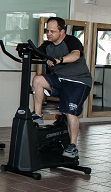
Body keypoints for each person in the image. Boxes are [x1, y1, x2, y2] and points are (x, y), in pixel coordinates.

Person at [32, 17, 92, 158]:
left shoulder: (71, 41)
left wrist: (59, 60)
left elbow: (75, 55)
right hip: (60, 80)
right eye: (48, 31)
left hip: (78, 82)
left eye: (53, 31)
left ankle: (72, 147)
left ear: (62, 32)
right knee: (38, 80)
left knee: (70, 112)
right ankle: (37, 115)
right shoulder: (47, 45)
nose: (49, 34)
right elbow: (35, 52)